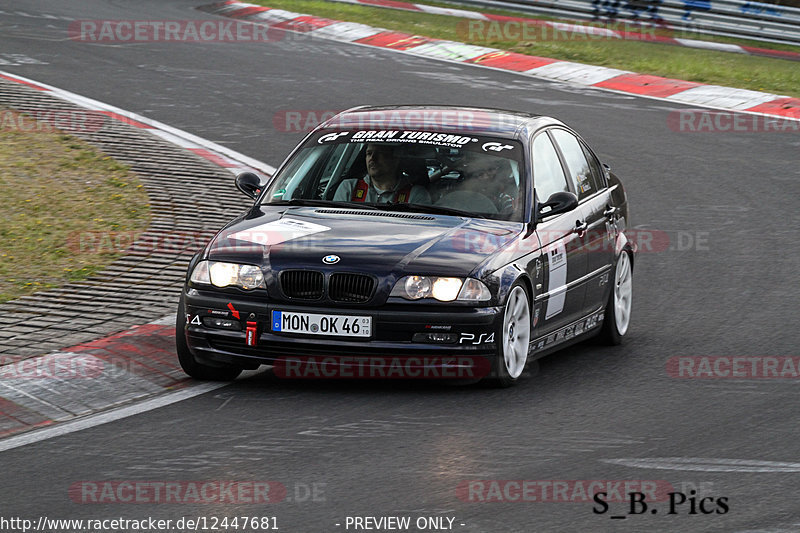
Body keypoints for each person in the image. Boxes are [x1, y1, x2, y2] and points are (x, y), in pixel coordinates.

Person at [333, 143, 430, 204]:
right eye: (369, 153)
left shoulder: (416, 194)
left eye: (380, 153)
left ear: (395, 159)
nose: (372, 158)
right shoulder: (349, 187)